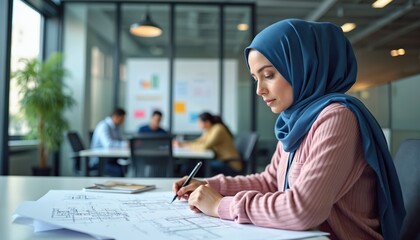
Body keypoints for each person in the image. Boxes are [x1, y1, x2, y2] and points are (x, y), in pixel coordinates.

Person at [172, 19, 405, 240]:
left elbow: (303, 210)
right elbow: (271, 182)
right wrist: (210, 185)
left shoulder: (337, 117)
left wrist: (219, 205)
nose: (259, 90)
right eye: (255, 78)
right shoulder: (296, 120)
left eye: (268, 75)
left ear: (303, 67)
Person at [173, 111, 242, 176]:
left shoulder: (218, 128)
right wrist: (182, 144)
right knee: (194, 165)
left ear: (207, 122)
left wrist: (184, 145)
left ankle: (189, 184)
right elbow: (198, 141)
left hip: (230, 164)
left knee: (198, 168)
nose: (198, 125)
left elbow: (205, 146)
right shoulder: (210, 129)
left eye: (200, 122)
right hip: (221, 161)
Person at [90, 107, 128, 177]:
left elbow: (121, 140)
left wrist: (126, 143)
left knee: (126, 168)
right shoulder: (103, 126)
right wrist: (124, 145)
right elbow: (108, 144)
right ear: (116, 117)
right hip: (100, 162)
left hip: (111, 159)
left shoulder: (116, 127)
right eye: (122, 119)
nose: (123, 121)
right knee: (119, 171)